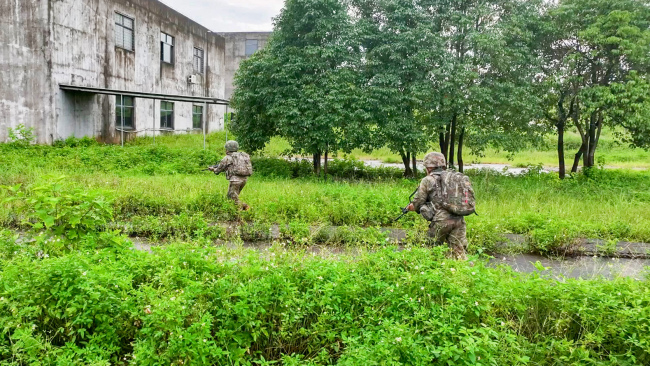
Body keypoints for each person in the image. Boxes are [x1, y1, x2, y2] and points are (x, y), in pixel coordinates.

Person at [407, 152, 469, 260]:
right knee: (459, 254)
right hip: (459, 219)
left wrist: (412, 207)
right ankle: (466, 272)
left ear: (429, 167)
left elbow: (418, 202)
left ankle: (434, 272)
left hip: (441, 220)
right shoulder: (453, 177)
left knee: (432, 249)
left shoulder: (428, 180)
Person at [208, 140, 253, 210]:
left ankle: (245, 208)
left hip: (235, 180)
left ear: (227, 149)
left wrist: (212, 169)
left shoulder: (227, 157)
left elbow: (218, 171)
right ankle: (231, 211)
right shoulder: (242, 156)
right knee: (230, 197)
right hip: (244, 179)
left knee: (233, 199)